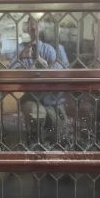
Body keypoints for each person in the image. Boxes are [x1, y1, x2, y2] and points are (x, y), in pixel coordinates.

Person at [10, 18, 73, 148]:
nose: (33, 28)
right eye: (30, 25)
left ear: (43, 27)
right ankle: (35, 144)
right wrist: (22, 59)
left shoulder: (54, 49)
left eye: (36, 25)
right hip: (32, 98)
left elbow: (65, 74)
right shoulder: (21, 49)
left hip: (54, 99)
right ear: (27, 28)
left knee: (61, 137)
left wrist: (46, 67)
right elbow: (12, 72)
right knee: (36, 115)